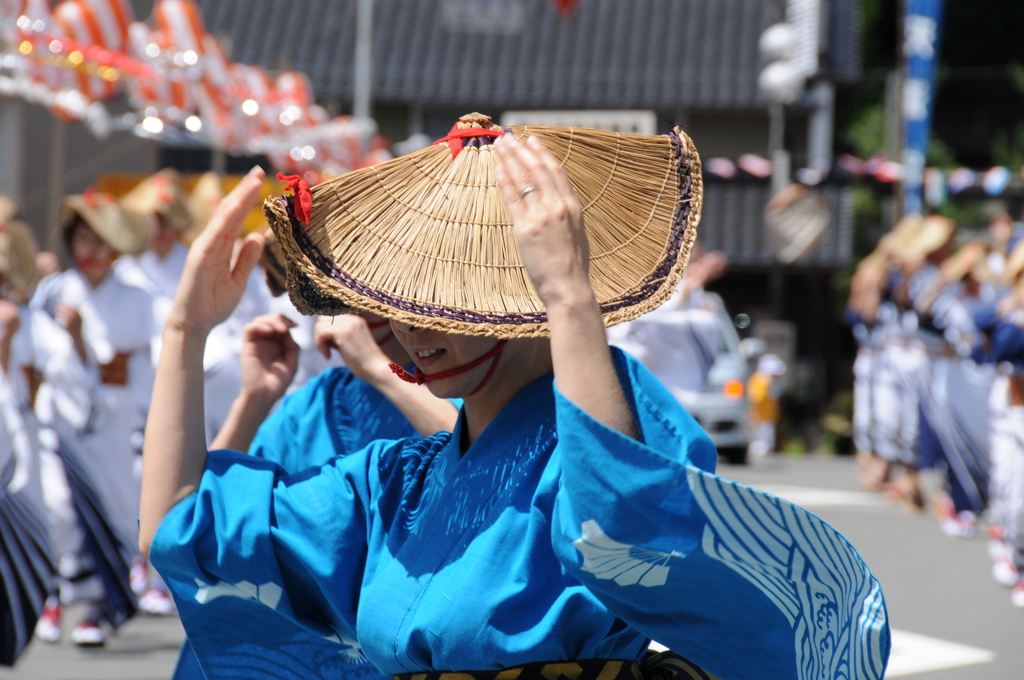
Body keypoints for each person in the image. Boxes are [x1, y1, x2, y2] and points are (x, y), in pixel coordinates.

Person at [142, 116, 889, 680]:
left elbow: (623, 524)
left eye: (448, 302)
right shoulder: (389, 486)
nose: (412, 331)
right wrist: (185, 332)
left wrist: (571, 294)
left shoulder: (593, 443)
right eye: (399, 303)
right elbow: (178, 531)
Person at [30, 191, 153, 645]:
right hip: (60, 416)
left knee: (116, 511)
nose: (92, 250)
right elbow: (44, 353)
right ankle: (58, 593)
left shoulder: (137, 297)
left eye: (101, 239)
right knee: (60, 508)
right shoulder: (55, 290)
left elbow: (128, 362)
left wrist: (80, 342)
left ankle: (101, 606)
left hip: (115, 419)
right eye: (82, 238)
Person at [747, 353, 786, 459]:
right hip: (760, 418)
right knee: (760, 442)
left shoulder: (769, 381)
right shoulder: (761, 380)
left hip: (766, 418)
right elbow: (756, 399)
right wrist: (753, 415)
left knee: (765, 442)